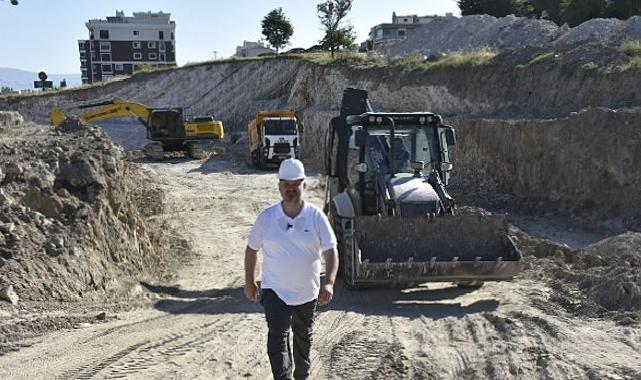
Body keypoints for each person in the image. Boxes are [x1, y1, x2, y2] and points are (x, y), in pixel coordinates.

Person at [244, 158, 339, 380]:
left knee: (303, 339)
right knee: (277, 339)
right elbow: (251, 250)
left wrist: (330, 283)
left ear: (304, 185)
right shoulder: (267, 217)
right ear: (279, 186)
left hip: (307, 293)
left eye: (295, 184)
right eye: (286, 184)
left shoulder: (316, 217)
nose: (291, 189)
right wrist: (250, 281)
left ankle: (302, 375)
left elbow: (331, 251)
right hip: (274, 291)